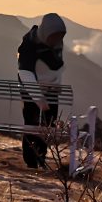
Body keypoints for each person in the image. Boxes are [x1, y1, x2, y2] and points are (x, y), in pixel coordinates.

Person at [17, 12, 66, 169]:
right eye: (55, 35)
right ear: (47, 32)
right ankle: (31, 160)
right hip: (32, 93)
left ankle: (41, 157)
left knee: (48, 126)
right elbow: (25, 73)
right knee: (31, 124)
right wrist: (40, 100)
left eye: (60, 36)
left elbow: (57, 67)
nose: (58, 39)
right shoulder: (29, 43)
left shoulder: (56, 43)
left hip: (51, 92)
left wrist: (55, 84)